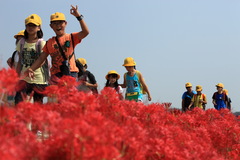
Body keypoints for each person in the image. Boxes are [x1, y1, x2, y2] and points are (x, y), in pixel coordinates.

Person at [24, 5, 89, 84]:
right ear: (51, 26)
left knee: (69, 95)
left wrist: (78, 17)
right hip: (55, 74)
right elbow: (41, 58)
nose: (58, 25)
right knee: (56, 96)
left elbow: (85, 32)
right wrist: (31, 69)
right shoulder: (49, 42)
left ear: (65, 23)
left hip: (70, 72)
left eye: (60, 22)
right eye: (55, 23)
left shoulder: (71, 37)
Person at [15, 14, 48, 104]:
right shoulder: (21, 43)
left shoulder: (42, 43)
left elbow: (42, 60)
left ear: (39, 28)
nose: (31, 27)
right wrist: (16, 77)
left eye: (34, 25)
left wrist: (31, 69)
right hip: (24, 78)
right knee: (18, 103)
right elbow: (19, 62)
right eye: (28, 25)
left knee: (38, 107)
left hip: (38, 79)